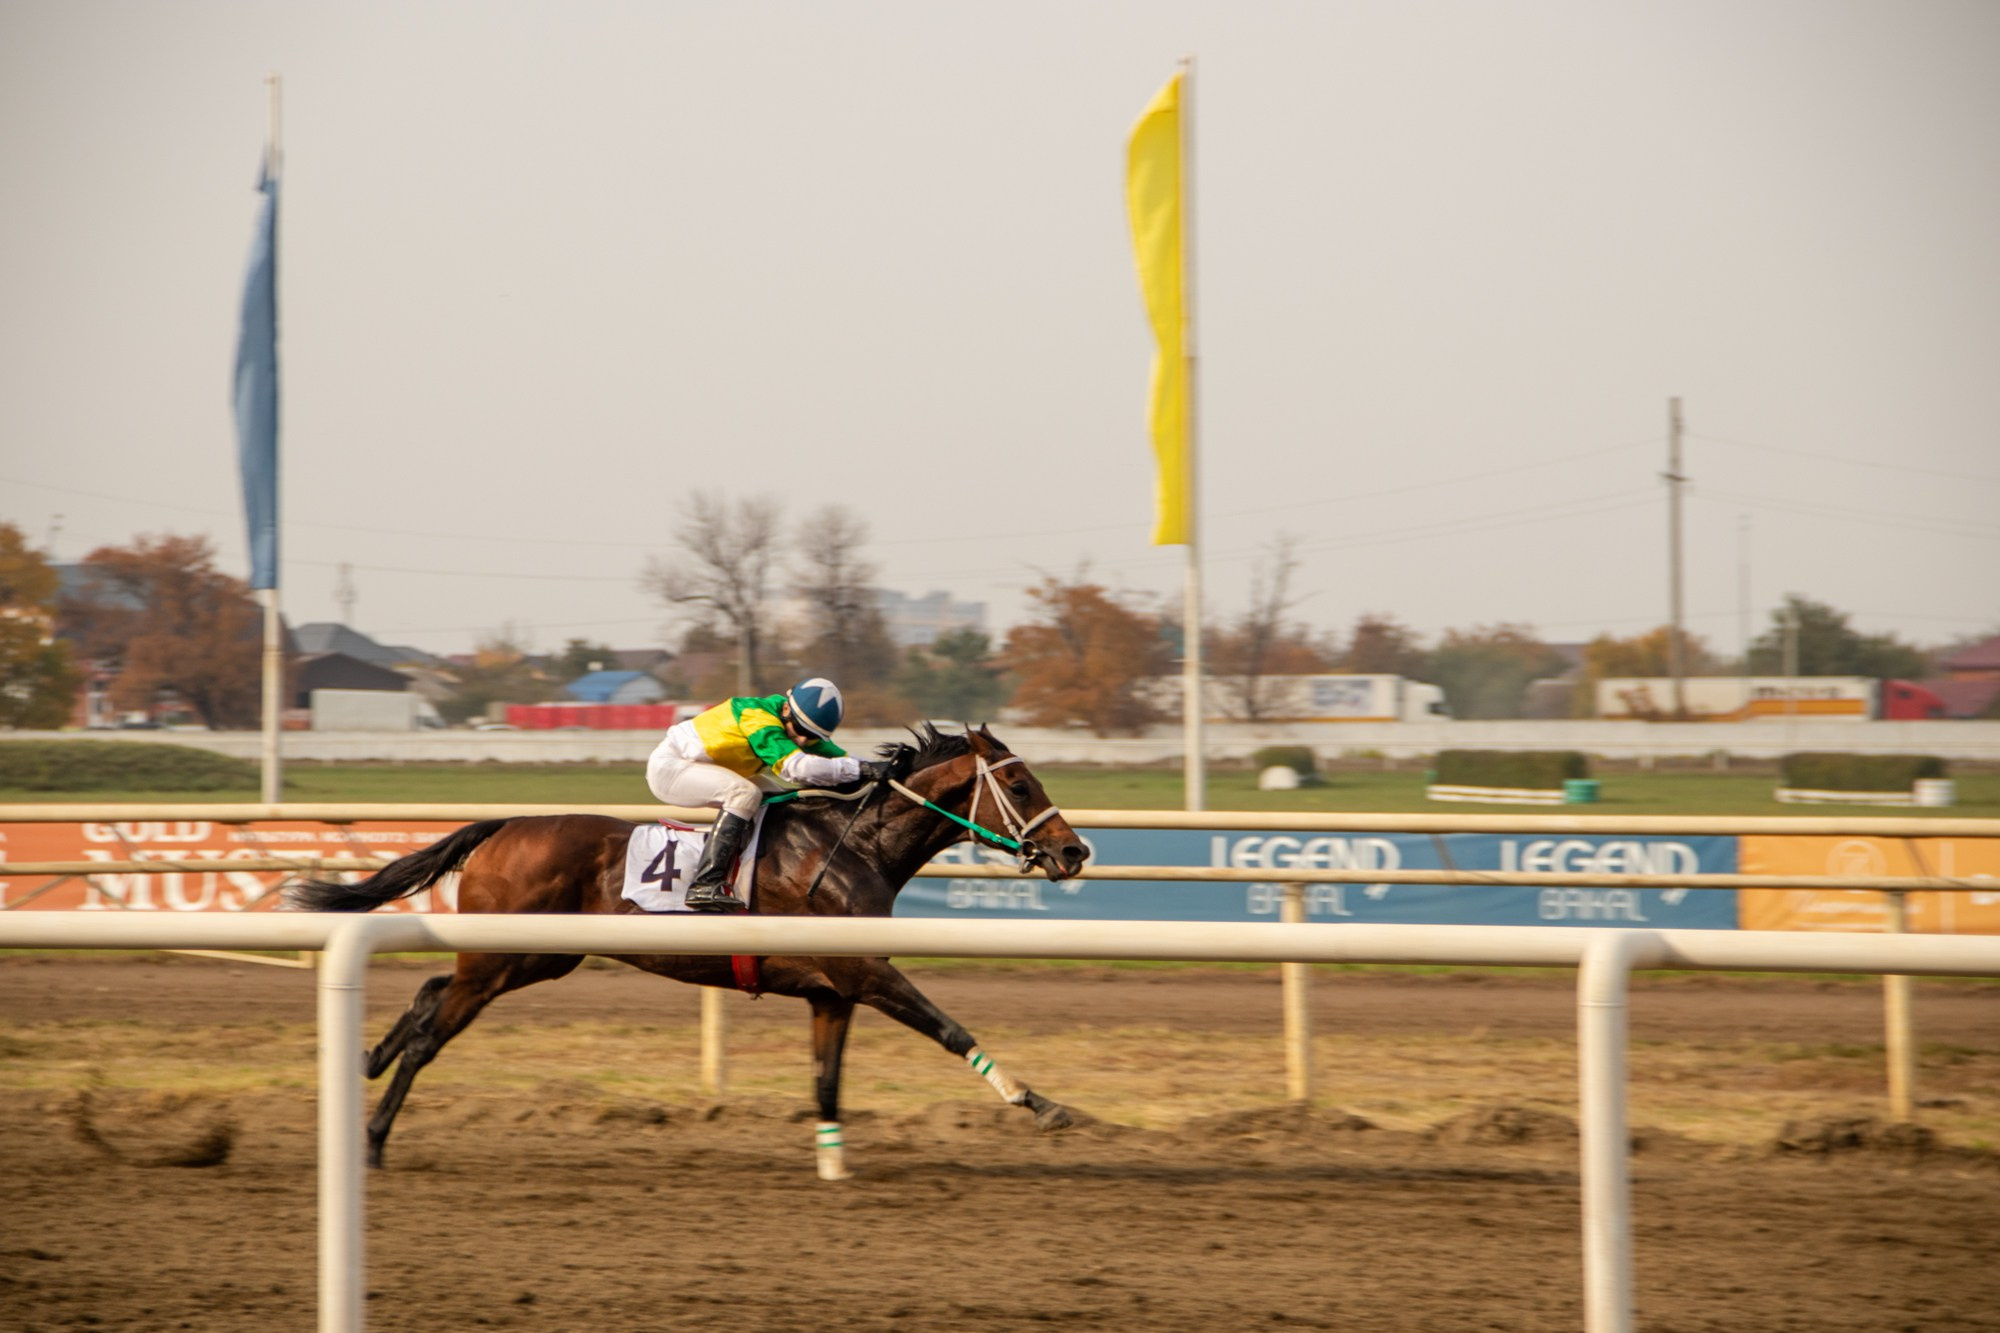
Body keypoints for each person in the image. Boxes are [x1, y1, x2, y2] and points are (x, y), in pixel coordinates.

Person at [645, 677, 889, 911]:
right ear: (786, 709)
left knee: (785, 800)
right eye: (800, 730)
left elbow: (844, 760)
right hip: (672, 768)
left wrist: (881, 768)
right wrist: (862, 770)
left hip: (714, 768)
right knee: (745, 794)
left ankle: (762, 872)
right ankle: (704, 884)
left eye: (812, 737)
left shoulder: (798, 721)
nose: (802, 740)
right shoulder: (757, 716)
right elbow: (796, 769)